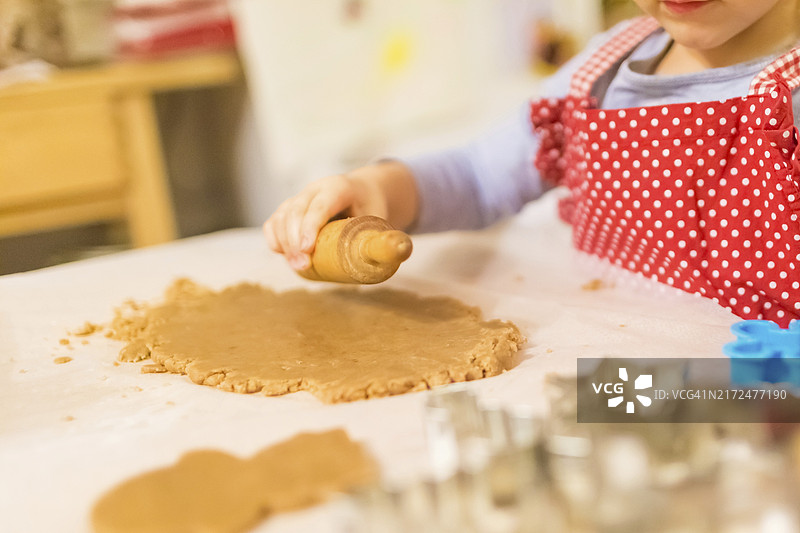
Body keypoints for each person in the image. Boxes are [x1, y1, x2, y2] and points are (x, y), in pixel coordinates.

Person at [264, 0, 800, 326]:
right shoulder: (604, 68)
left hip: (757, 391)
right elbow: (478, 176)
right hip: (608, 362)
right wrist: (377, 191)